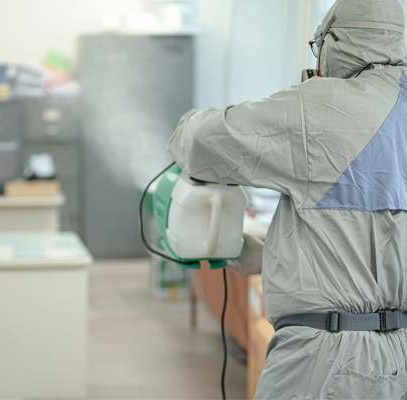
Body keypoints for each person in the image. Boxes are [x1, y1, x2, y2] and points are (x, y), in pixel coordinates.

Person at [167, 0, 407, 398]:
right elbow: (377, 234)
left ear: (334, 42)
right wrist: (275, 257)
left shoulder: (321, 106)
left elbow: (200, 142)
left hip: (325, 359)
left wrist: (186, 124)